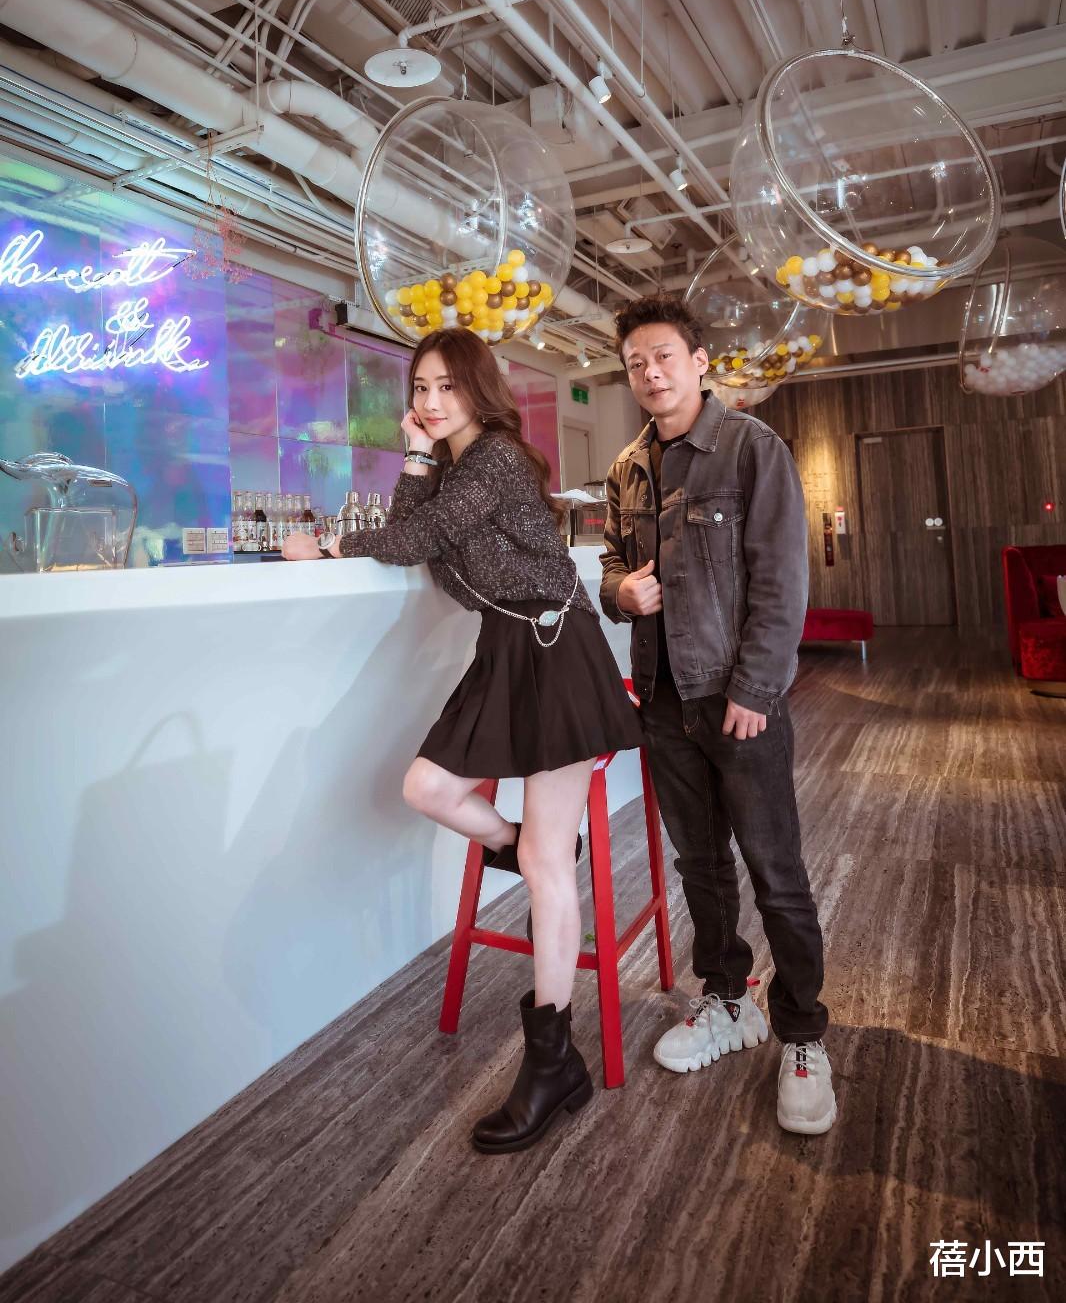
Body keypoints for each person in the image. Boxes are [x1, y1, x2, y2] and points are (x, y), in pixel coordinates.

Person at [283, 327, 643, 1153]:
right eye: (420, 387)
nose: (430, 400)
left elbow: (410, 542)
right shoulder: (455, 468)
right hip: (507, 651)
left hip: (555, 650)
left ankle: (554, 1062)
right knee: (427, 787)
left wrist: (328, 543)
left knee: (546, 867)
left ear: (479, 389)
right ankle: (526, 846)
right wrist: (415, 456)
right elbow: (414, 535)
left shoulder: (498, 461)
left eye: (446, 386)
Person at [599, 295, 835, 1136]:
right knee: (700, 865)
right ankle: (729, 998)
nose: (650, 373)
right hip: (663, 702)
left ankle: (803, 1034)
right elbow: (612, 561)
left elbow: (781, 581)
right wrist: (617, 591)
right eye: (635, 363)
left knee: (776, 871)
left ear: (699, 362)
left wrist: (756, 690)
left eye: (663, 356)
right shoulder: (627, 467)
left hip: (738, 701)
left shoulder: (750, 447)